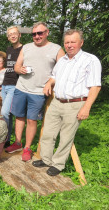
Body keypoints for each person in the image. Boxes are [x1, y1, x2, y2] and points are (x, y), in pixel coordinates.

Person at [32, 29, 101, 176]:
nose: (69, 45)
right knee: (47, 133)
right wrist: (49, 83)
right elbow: (54, 76)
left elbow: (95, 86)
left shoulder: (90, 60)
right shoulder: (62, 60)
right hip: (57, 101)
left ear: (81, 43)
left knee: (66, 136)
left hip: (76, 104)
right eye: (67, 42)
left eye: (73, 42)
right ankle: (46, 159)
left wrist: (86, 107)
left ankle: (58, 164)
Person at [6, 21, 65, 162]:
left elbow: (63, 71)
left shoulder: (57, 49)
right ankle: (17, 143)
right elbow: (16, 66)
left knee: (32, 120)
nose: (37, 36)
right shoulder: (26, 47)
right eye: (34, 34)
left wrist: (51, 82)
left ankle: (27, 148)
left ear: (47, 32)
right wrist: (19, 69)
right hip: (21, 87)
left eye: (40, 33)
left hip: (39, 92)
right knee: (19, 116)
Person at [1, 26, 23, 147]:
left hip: (15, 85)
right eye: (10, 34)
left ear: (19, 35)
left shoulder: (24, 49)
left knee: (4, 112)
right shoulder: (9, 49)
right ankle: (7, 140)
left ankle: (4, 137)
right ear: (8, 37)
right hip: (5, 85)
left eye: (15, 33)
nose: (13, 36)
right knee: (7, 114)